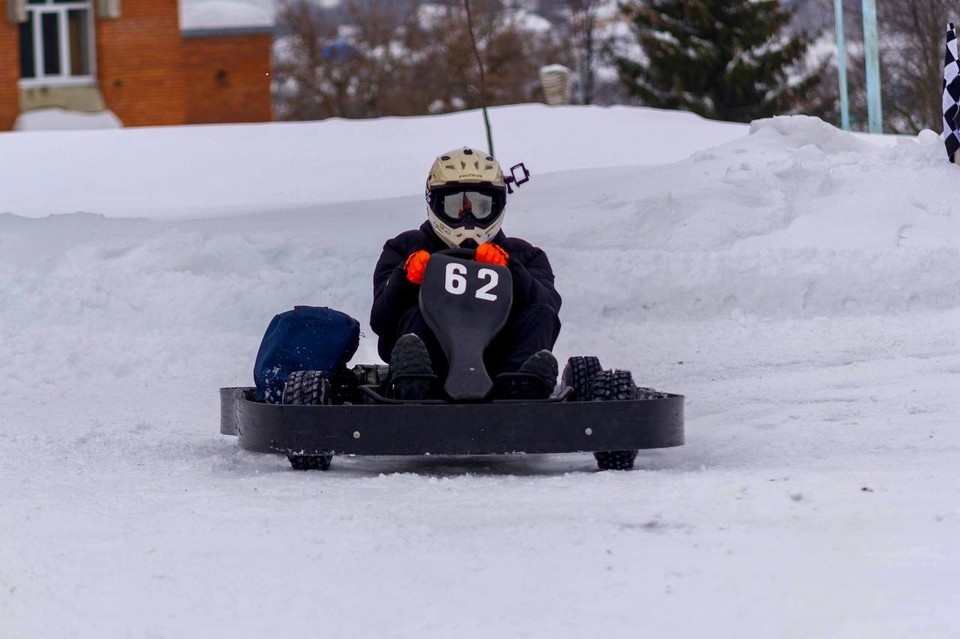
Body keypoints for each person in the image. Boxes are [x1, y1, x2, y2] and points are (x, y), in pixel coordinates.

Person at [370, 147, 562, 400]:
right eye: (456, 206)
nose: (467, 217)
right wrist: (404, 278)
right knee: (413, 312)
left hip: (501, 364)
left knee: (541, 313)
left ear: (498, 205)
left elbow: (549, 306)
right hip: (430, 364)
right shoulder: (404, 247)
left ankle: (522, 388)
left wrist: (511, 269)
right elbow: (380, 320)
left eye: (481, 207)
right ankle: (415, 385)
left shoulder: (524, 254)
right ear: (435, 203)